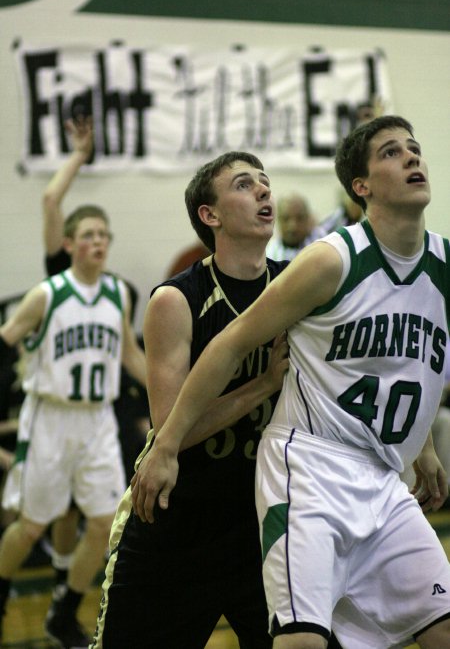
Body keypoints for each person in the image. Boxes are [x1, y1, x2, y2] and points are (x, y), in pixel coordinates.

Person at [129, 116, 450, 648]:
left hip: (377, 477)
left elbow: (413, 359)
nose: (413, 157)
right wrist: (163, 447)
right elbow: (228, 344)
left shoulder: (438, 264)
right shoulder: (327, 261)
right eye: (393, 152)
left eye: (415, 148)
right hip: (300, 474)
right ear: (360, 187)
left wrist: (423, 448)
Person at [91, 151, 291, 649]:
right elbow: (172, 431)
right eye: (245, 185)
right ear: (211, 214)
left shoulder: (294, 285)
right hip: (180, 520)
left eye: (265, 182)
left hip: (265, 520)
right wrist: (264, 384)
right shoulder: (175, 300)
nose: (264, 191)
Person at [0, 204, 147, 648]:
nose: (99, 241)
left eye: (104, 234)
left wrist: (173, 395)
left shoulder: (118, 293)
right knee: (30, 527)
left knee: (104, 525)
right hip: (50, 417)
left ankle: (62, 613)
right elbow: (4, 344)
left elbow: (129, 354)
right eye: (89, 234)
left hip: (98, 419)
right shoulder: (47, 294)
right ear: (69, 244)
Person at [266, 192, 320, 261]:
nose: (293, 226)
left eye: (299, 218)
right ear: (277, 220)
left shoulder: (321, 248)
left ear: (308, 219)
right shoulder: (269, 256)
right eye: (286, 219)